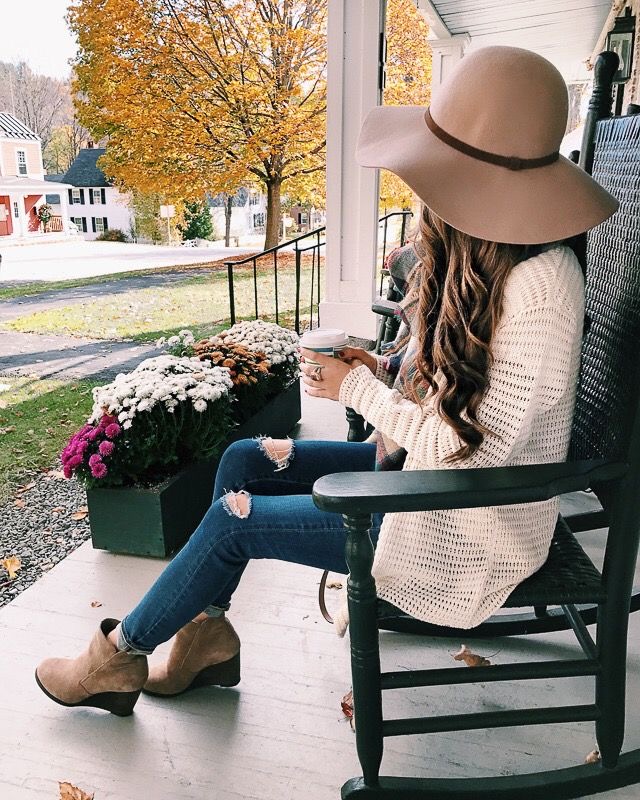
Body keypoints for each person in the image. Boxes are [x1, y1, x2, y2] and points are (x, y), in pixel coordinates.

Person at [35, 46, 617, 716]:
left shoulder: (542, 283)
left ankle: (118, 657)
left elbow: (474, 454)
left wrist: (358, 394)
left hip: (467, 524)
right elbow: (463, 400)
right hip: (426, 482)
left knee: (232, 521)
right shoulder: (486, 256)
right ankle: (206, 640)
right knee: (243, 459)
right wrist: (384, 373)